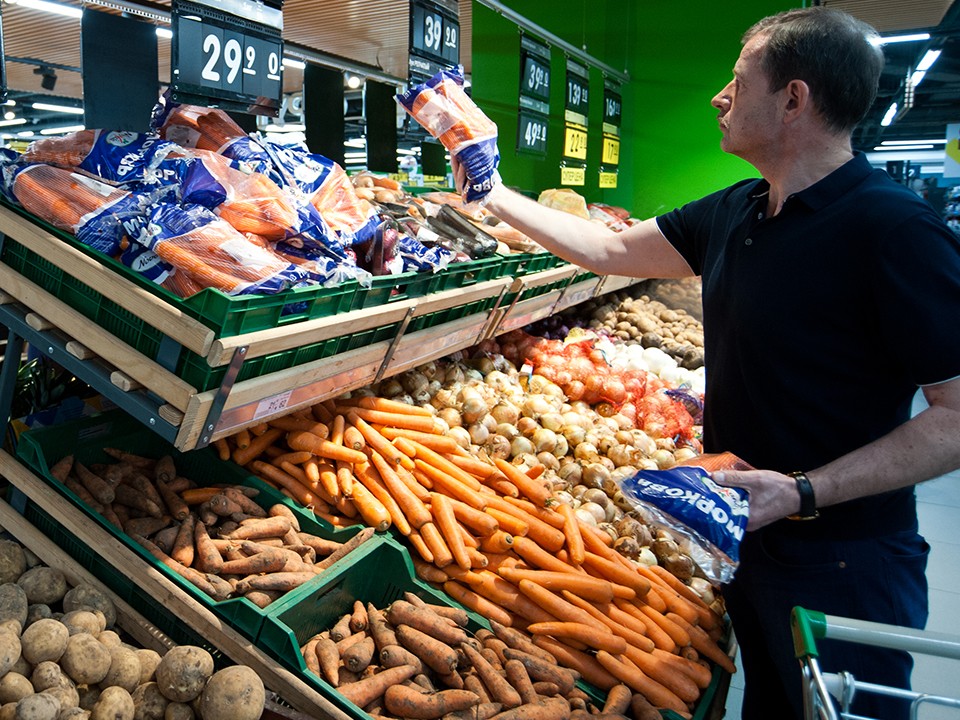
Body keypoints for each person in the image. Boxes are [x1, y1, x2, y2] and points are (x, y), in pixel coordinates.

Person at [451, 7, 960, 719]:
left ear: (793, 99)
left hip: (846, 558)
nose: (719, 97)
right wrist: (492, 191)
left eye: (737, 80)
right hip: (740, 535)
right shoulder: (740, 211)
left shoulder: (895, 231)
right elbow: (608, 251)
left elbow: (956, 418)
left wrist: (803, 490)